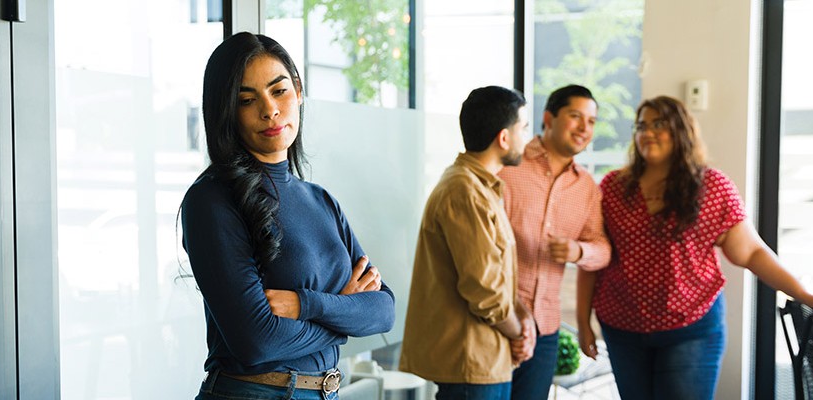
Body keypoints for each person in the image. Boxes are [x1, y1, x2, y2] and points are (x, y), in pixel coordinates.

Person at [576, 95, 813, 400]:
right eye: (641, 125)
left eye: (658, 124)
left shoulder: (711, 186)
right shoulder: (613, 187)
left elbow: (751, 252)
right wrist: (582, 322)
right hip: (622, 329)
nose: (647, 132)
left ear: (681, 130)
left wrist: (802, 294)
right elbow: (593, 256)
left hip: (691, 329)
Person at [180, 32, 395, 400]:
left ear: (298, 91)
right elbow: (256, 341)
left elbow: (383, 309)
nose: (269, 110)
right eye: (247, 100)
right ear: (228, 112)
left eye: (278, 91)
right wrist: (344, 312)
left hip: (326, 391)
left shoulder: (320, 200)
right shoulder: (212, 200)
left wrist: (306, 305)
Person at [399, 86, 536, 400]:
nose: (526, 138)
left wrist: (522, 324)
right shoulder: (464, 191)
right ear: (504, 138)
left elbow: (496, 277)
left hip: (486, 363)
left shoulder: (480, 188)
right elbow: (483, 287)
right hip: (471, 367)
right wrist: (519, 333)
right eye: (523, 129)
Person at [497, 84, 612, 400]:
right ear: (549, 117)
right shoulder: (508, 165)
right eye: (576, 117)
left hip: (546, 328)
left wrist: (578, 251)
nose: (584, 128)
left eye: (591, 121)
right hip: (495, 318)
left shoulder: (587, 188)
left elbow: (602, 249)